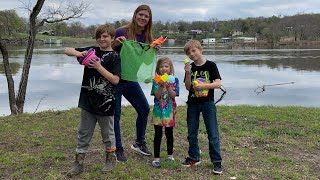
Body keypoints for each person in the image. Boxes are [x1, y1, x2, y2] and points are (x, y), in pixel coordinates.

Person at [64, 24, 121, 176]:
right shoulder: (91, 51)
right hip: (88, 102)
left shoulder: (115, 57)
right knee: (83, 134)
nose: (101, 39)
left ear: (112, 38)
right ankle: (78, 163)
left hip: (106, 104)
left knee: (108, 135)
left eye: (105, 36)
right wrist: (79, 52)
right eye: (99, 37)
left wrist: (98, 66)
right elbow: (67, 50)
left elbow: (115, 80)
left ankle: (110, 160)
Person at [112, 4, 162, 162]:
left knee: (144, 108)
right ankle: (118, 148)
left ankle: (139, 143)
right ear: (135, 15)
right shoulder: (122, 31)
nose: (143, 18)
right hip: (117, 78)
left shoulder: (147, 37)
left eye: (146, 16)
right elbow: (108, 49)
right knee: (116, 114)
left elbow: (143, 61)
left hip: (131, 79)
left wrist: (153, 50)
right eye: (140, 15)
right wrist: (117, 44)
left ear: (149, 19)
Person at [182, 40, 223, 174]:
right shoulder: (190, 67)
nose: (191, 54)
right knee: (192, 132)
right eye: (189, 53)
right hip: (193, 103)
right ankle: (194, 157)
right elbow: (188, 87)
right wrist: (188, 74)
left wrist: (204, 86)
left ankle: (216, 162)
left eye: (193, 51)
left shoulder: (211, 65)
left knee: (212, 132)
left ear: (201, 50)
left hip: (208, 103)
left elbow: (218, 84)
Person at [150, 57, 179, 168]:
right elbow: (157, 96)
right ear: (158, 69)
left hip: (169, 112)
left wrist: (169, 87)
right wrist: (161, 86)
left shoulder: (174, 80)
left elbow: (173, 96)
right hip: (158, 112)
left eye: (166, 66)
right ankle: (156, 158)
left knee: (169, 134)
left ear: (170, 68)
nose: (164, 69)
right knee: (157, 135)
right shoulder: (156, 80)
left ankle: (170, 156)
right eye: (161, 67)